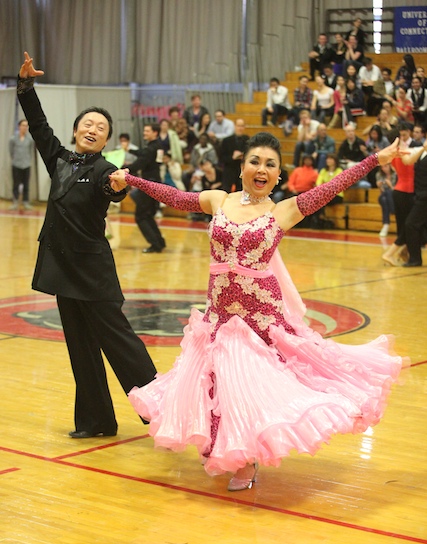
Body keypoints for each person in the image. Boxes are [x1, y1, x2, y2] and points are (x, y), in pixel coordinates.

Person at [109, 131, 407, 491]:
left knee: (246, 385)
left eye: (270, 164)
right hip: (218, 315)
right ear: (242, 167)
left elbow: (334, 186)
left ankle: (245, 460)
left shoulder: (283, 210)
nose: (261, 169)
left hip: (259, 319)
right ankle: (226, 448)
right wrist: (131, 180)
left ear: (279, 175)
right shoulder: (219, 200)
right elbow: (175, 196)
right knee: (219, 385)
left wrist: (376, 160)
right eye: (255, 161)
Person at [18, 51, 157, 438]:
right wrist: (26, 86)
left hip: (93, 274)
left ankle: (163, 413)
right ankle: (97, 421)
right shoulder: (60, 159)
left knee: (122, 347)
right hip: (63, 272)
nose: (93, 128)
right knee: (81, 350)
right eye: (88, 123)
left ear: (106, 140)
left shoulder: (104, 169)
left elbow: (112, 189)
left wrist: (118, 189)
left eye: (101, 127)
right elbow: (39, 125)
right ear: (77, 129)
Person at [382, 125, 418, 266]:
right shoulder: (402, 152)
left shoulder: (393, 153)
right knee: (408, 226)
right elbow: (409, 161)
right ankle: (390, 253)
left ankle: (403, 252)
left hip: (400, 191)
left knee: (405, 226)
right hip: (406, 192)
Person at [127, 123, 166, 254]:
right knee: (148, 215)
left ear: (155, 132)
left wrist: (124, 170)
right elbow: (144, 154)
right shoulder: (158, 147)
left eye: (147, 131)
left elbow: (140, 162)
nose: (144, 133)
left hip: (148, 185)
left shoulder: (151, 149)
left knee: (141, 216)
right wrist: (130, 150)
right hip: (156, 184)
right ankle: (159, 242)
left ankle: (155, 244)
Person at [400, 140, 427, 266]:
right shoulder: (420, 151)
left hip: (425, 197)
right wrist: (423, 148)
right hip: (419, 195)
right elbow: (408, 161)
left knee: (411, 224)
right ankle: (415, 258)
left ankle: (415, 259)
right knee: (418, 226)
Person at [9, 118, 34, 210]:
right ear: (19, 126)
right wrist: (15, 159)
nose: (24, 127)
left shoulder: (30, 140)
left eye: (26, 126)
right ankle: (15, 202)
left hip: (26, 164)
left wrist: (27, 160)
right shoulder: (13, 139)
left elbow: (30, 151)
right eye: (23, 125)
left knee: (26, 184)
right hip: (16, 164)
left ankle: (25, 202)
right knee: (16, 184)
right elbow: (11, 151)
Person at [219, 118, 249, 193]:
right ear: (234, 126)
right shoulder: (226, 140)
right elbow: (221, 158)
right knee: (226, 193)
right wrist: (232, 157)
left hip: (242, 171)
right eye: (238, 126)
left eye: (242, 126)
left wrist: (243, 157)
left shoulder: (248, 140)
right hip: (229, 170)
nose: (240, 128)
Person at [376, 163, 396, 237]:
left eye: (385, 166)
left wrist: (390, 185)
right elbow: (382, 192)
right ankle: (392, 210)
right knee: (384, 196)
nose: (383, 169)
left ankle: (386, 224)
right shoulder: (379, 175)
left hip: (394, 195)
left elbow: (395, 190)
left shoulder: (395, 174)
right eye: (382, 167)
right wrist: (380, 186)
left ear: (390, 166)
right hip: (385, 195)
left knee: (385, 198)